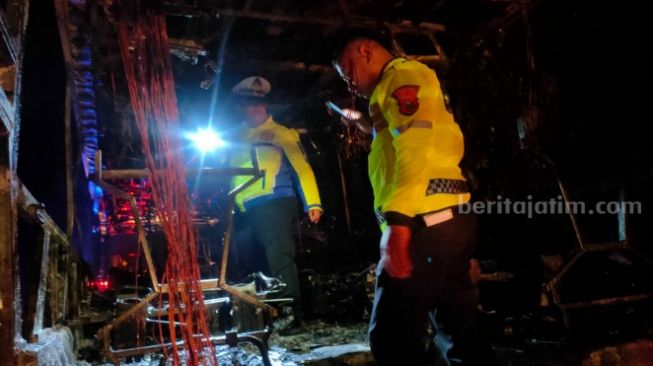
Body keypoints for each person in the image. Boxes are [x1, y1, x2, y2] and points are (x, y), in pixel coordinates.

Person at [332, 31, 495, 365]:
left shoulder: (401, 75)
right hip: (447, 218)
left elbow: (414, 145)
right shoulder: (401, 84)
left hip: (425, 224)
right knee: (461, 332)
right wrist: (366, 123)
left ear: (365, 50)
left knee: (392, 337)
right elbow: (410, 136)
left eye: (348, 68)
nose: (349, 82)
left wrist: (399, 222)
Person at [227, 76, 323, 331]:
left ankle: (291, 311)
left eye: (259, 104)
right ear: (240, 107)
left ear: (266, 106)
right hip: (244, 207)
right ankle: (264, 312)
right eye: (248, 104)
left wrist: (312, 202)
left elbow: (302, 169)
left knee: (278, 254)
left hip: (275, 201)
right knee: (253, 260)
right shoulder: (233, 135)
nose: (255, 109)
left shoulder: (282, 134)